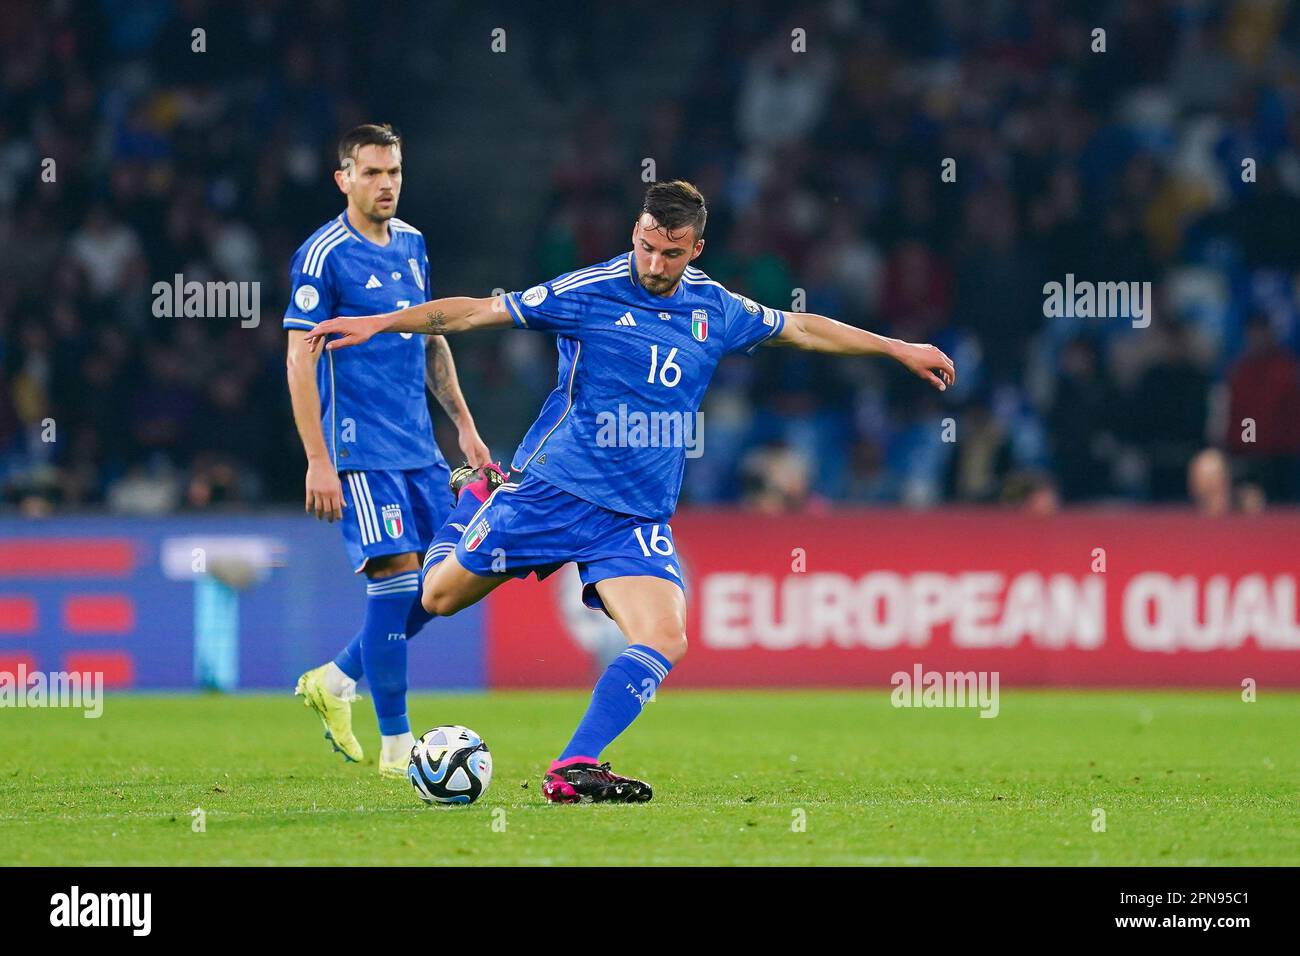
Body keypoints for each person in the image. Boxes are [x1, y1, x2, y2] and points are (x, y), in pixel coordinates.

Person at [304, 180, 954, 801]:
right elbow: (477, 312)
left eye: (670, 251)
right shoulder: (590, 290)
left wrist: (898, 348)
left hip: (635, 517)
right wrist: (383, 322)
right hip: (553, 491)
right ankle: (475, 502)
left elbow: (803, 328)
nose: (653, 260)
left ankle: (573, 765)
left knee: (666, 636)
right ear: (635, 231)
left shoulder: (716, 308)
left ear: (695, 249)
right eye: (646, 243)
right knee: (439, 596)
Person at [284, 124, 490, 775]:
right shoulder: (323, 255)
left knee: (437, 588)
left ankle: (338, 678)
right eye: (371, 172)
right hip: (359, 452)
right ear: (343, 177)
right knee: (396, 576)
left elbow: (431, 337)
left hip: (421, 451)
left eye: (393, 171)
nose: (386, 184)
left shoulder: (412, 245)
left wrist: (464, 424)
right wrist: (318, 457)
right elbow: (298, 357)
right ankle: (399, 748)